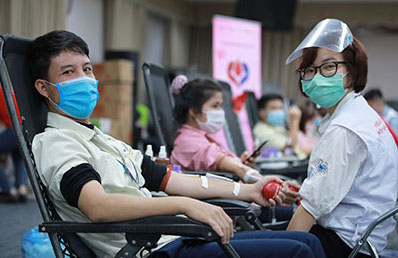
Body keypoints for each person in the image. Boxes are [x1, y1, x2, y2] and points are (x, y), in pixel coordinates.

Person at [28, 30, 326, 258]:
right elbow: (97, 206)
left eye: (87, 69)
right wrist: (187, 206)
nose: (84, 79)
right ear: (43, 87)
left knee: (308, 241)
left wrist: (247, 189)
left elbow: (170, 179)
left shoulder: (102, 140)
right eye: (69, 72)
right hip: (151, 249)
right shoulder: (56, 142)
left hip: (176, 234)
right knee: (300, 250)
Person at [285, 18, 398, 258]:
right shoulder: (359, 112)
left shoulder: (345, 128)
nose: (316, 77)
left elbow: (311, 207)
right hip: (365, 235)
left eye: (328, 67)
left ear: (352, 71)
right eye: (309, 70)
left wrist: (284, 249)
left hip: (348, 244)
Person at [170, 76, 300, 222]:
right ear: (194, 111)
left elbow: (232, 166)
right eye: (215, 106)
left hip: (239, 203)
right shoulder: (188, 142)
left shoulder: (203, 137)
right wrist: (275, 186)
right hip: (226, 212)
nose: (220, 111)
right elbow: (233, 167)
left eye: (220, 106)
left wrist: (242, 164)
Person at [253, 94, 306, 159]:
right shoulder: (262, 131)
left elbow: (299, 149)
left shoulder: (275, 127)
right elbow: (289, 148)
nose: (278, 112)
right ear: (261, 112)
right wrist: (294, 120)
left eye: (281, 108)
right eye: (274, 108)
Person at [0, 87, 27, 203]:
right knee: (18, 158)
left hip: (12, 130)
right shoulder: (8, 89)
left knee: (18, 157)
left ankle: (9, 190)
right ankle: (21, 189)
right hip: (23, 128)